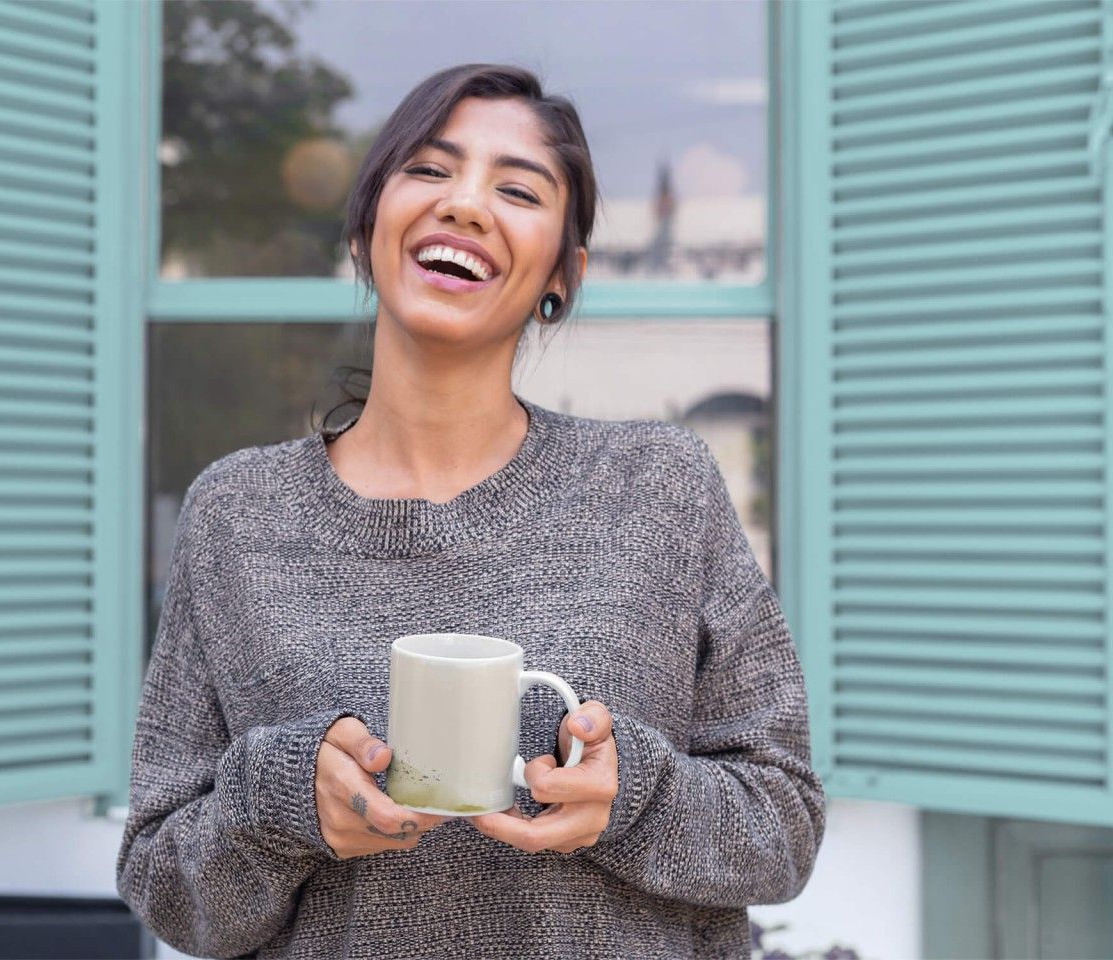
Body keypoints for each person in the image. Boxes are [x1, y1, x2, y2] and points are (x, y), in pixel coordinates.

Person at [115, 62, 826, 960]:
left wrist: (631, 799)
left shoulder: (659, 488)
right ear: (368, 224)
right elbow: (163, 884)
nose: (465, 204)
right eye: (429, 169)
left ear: (562, 274)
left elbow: (786, 827)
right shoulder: (237, 516)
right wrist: (283, 803)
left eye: (518, 189)